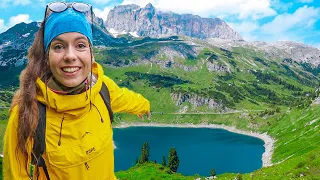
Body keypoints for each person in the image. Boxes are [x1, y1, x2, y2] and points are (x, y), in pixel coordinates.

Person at [3, 2, 150, 180]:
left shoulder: (103, 87)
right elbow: (15, 175)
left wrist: (144, 106)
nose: (70, 56)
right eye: (58, 46)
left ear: (91, 53)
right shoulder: (26, 111)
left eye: (80, 45)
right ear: (46, 57)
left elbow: (126, 98)